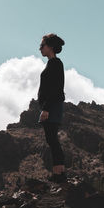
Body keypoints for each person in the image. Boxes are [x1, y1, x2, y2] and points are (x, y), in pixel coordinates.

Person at [37, 33, 66, 183]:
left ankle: (59, 173)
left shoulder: (55, 63)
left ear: (50, 47)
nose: (40, 48)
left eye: (42, 45)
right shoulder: (52, 63)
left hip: (52, 106)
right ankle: (58, 172)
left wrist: (46, 109)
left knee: (52, 139)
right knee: (51, 138)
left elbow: (56, 88)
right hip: (51, 105)